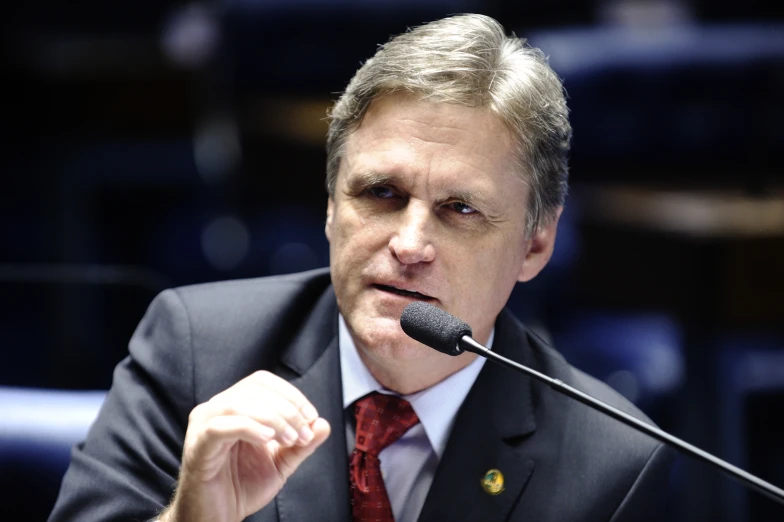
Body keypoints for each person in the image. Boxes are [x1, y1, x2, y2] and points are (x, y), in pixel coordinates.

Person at [49, 13, 673, 522]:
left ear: (536, 245)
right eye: (381, 194)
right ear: (330, 205)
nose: (409, 243)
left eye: (459, 209)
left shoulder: (611, 464)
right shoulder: (195, 349)